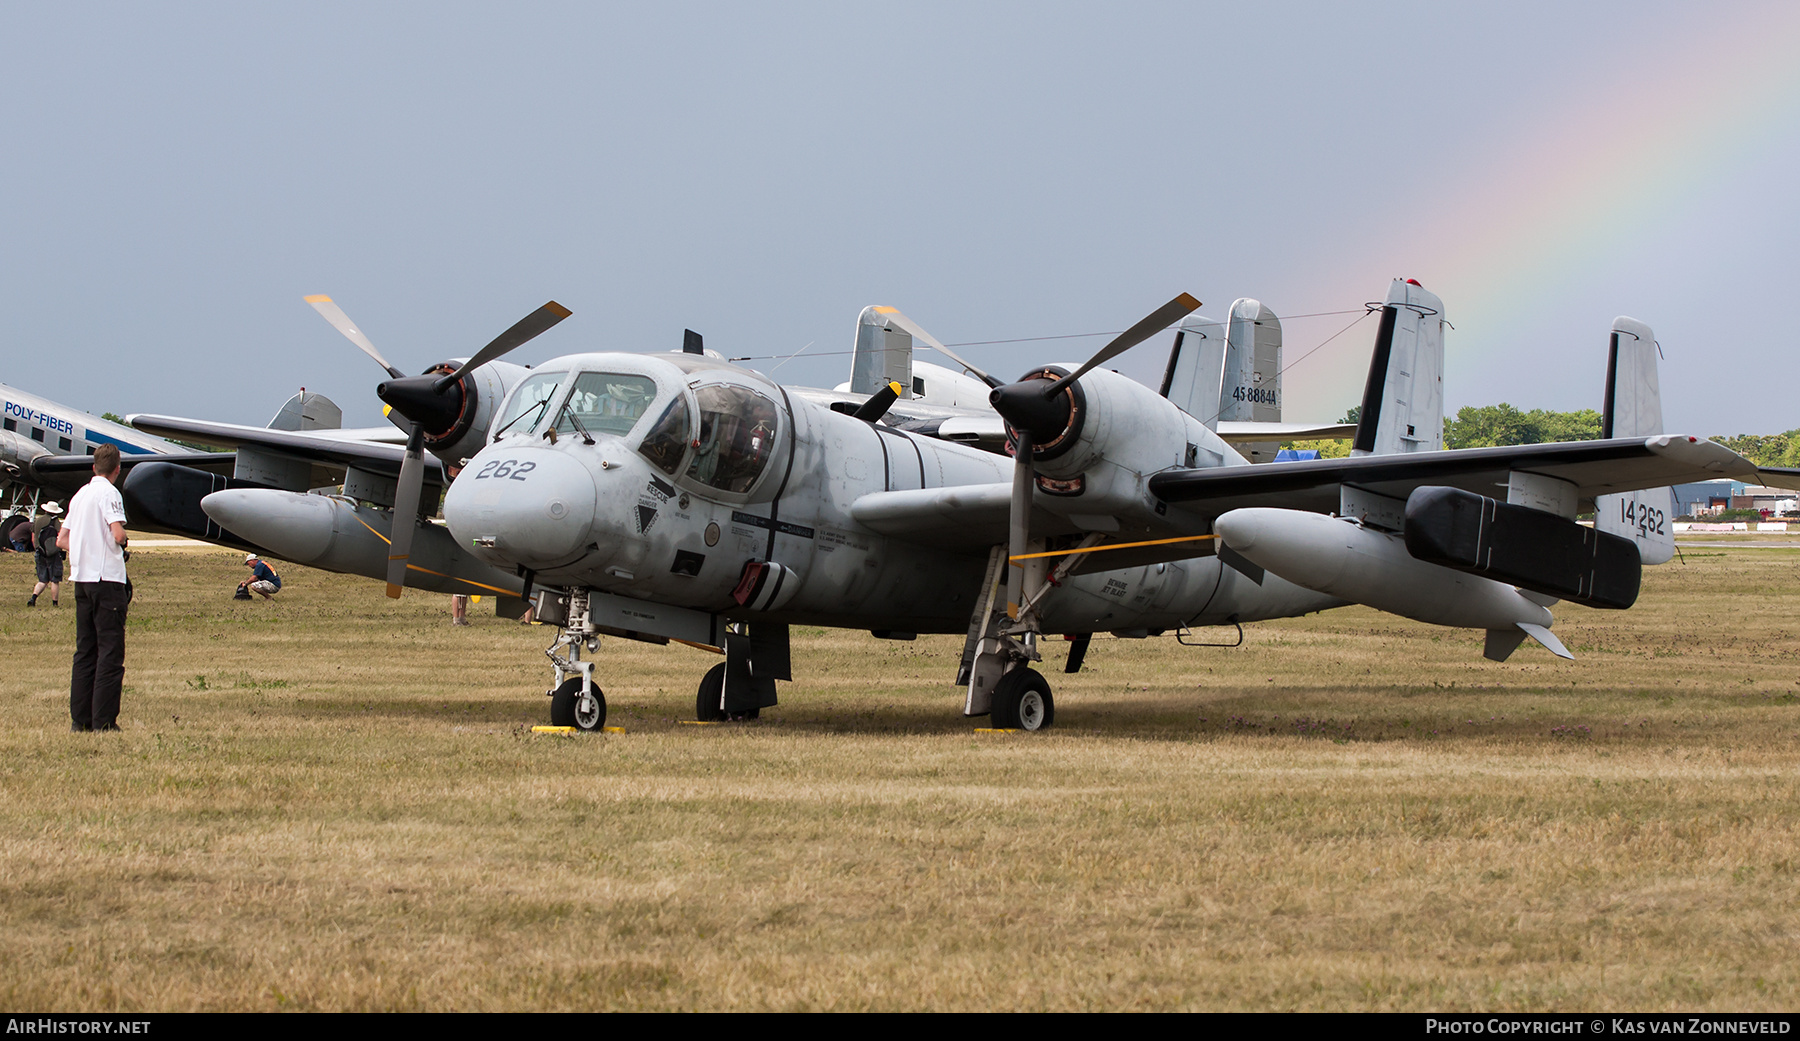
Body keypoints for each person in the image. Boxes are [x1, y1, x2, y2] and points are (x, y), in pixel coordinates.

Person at [59, 445, 129, 733]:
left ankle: (80, 719)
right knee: (110, 651)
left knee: (85, 651)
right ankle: (104, 721)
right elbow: (117, 532)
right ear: (117, 469)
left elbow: (63, 539)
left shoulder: (80, 495)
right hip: (107, 579)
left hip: (82, 579)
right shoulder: (109, 493)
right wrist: (123, 544)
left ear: (93, 467)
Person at [28, 501, 63, 607]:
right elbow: (60, 536)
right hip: (53, 553)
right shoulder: (55, 522)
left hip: (40, 552)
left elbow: (33, 537)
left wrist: (38, 548)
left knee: (43, 580)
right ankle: (55, 603)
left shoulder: (38, 520)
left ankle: (33, 597)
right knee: (54, 579)